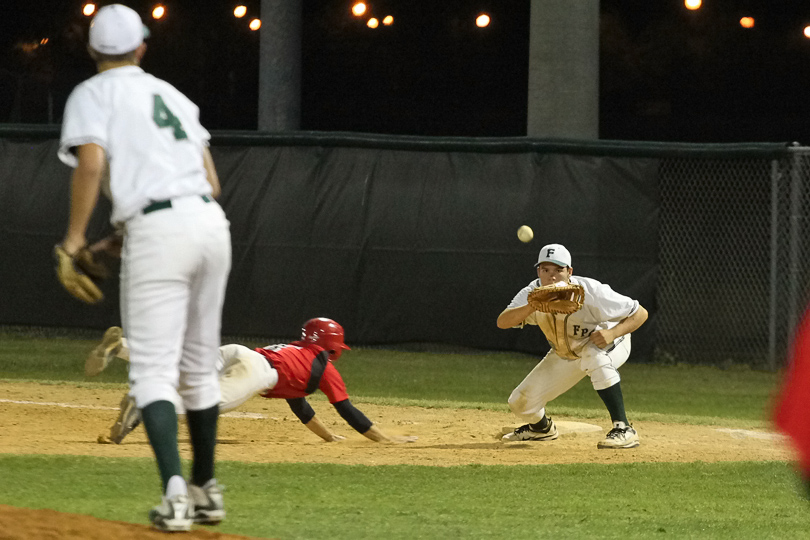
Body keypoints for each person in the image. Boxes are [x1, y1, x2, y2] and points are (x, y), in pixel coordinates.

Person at [57, 5, 231, 532]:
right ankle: (206, 493)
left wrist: (74, 239)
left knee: (153, 371)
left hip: (158, 232)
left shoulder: (92, 92)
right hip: (210, 223)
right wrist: (115, 241)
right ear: (141, 48)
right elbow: (210, 180)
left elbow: (92, 162)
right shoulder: (171, 94)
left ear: (92, 51)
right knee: (200, 368)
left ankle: (175, 498)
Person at [89, 318, 418, 446]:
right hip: (255, 372)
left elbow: (299, 404)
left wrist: (328, 437)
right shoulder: (324, 367)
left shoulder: (296, 351)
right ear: (332, 345)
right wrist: (382, 438)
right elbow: (346, 408)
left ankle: (124, 347)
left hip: (239, 353)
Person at [496, 243, 648, 449]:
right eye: (545, 270)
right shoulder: (533, 292)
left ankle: (624, 429)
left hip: (609, 341)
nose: (552, 277)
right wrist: (533, 305)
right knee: (519, 402)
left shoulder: (591, 291)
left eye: (558, 270)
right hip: (566, 352)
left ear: (570, 272)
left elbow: (640, 313)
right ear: (538, 271)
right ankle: (541, 429)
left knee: (594, 355)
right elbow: (503, 322)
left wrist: (613, 333)